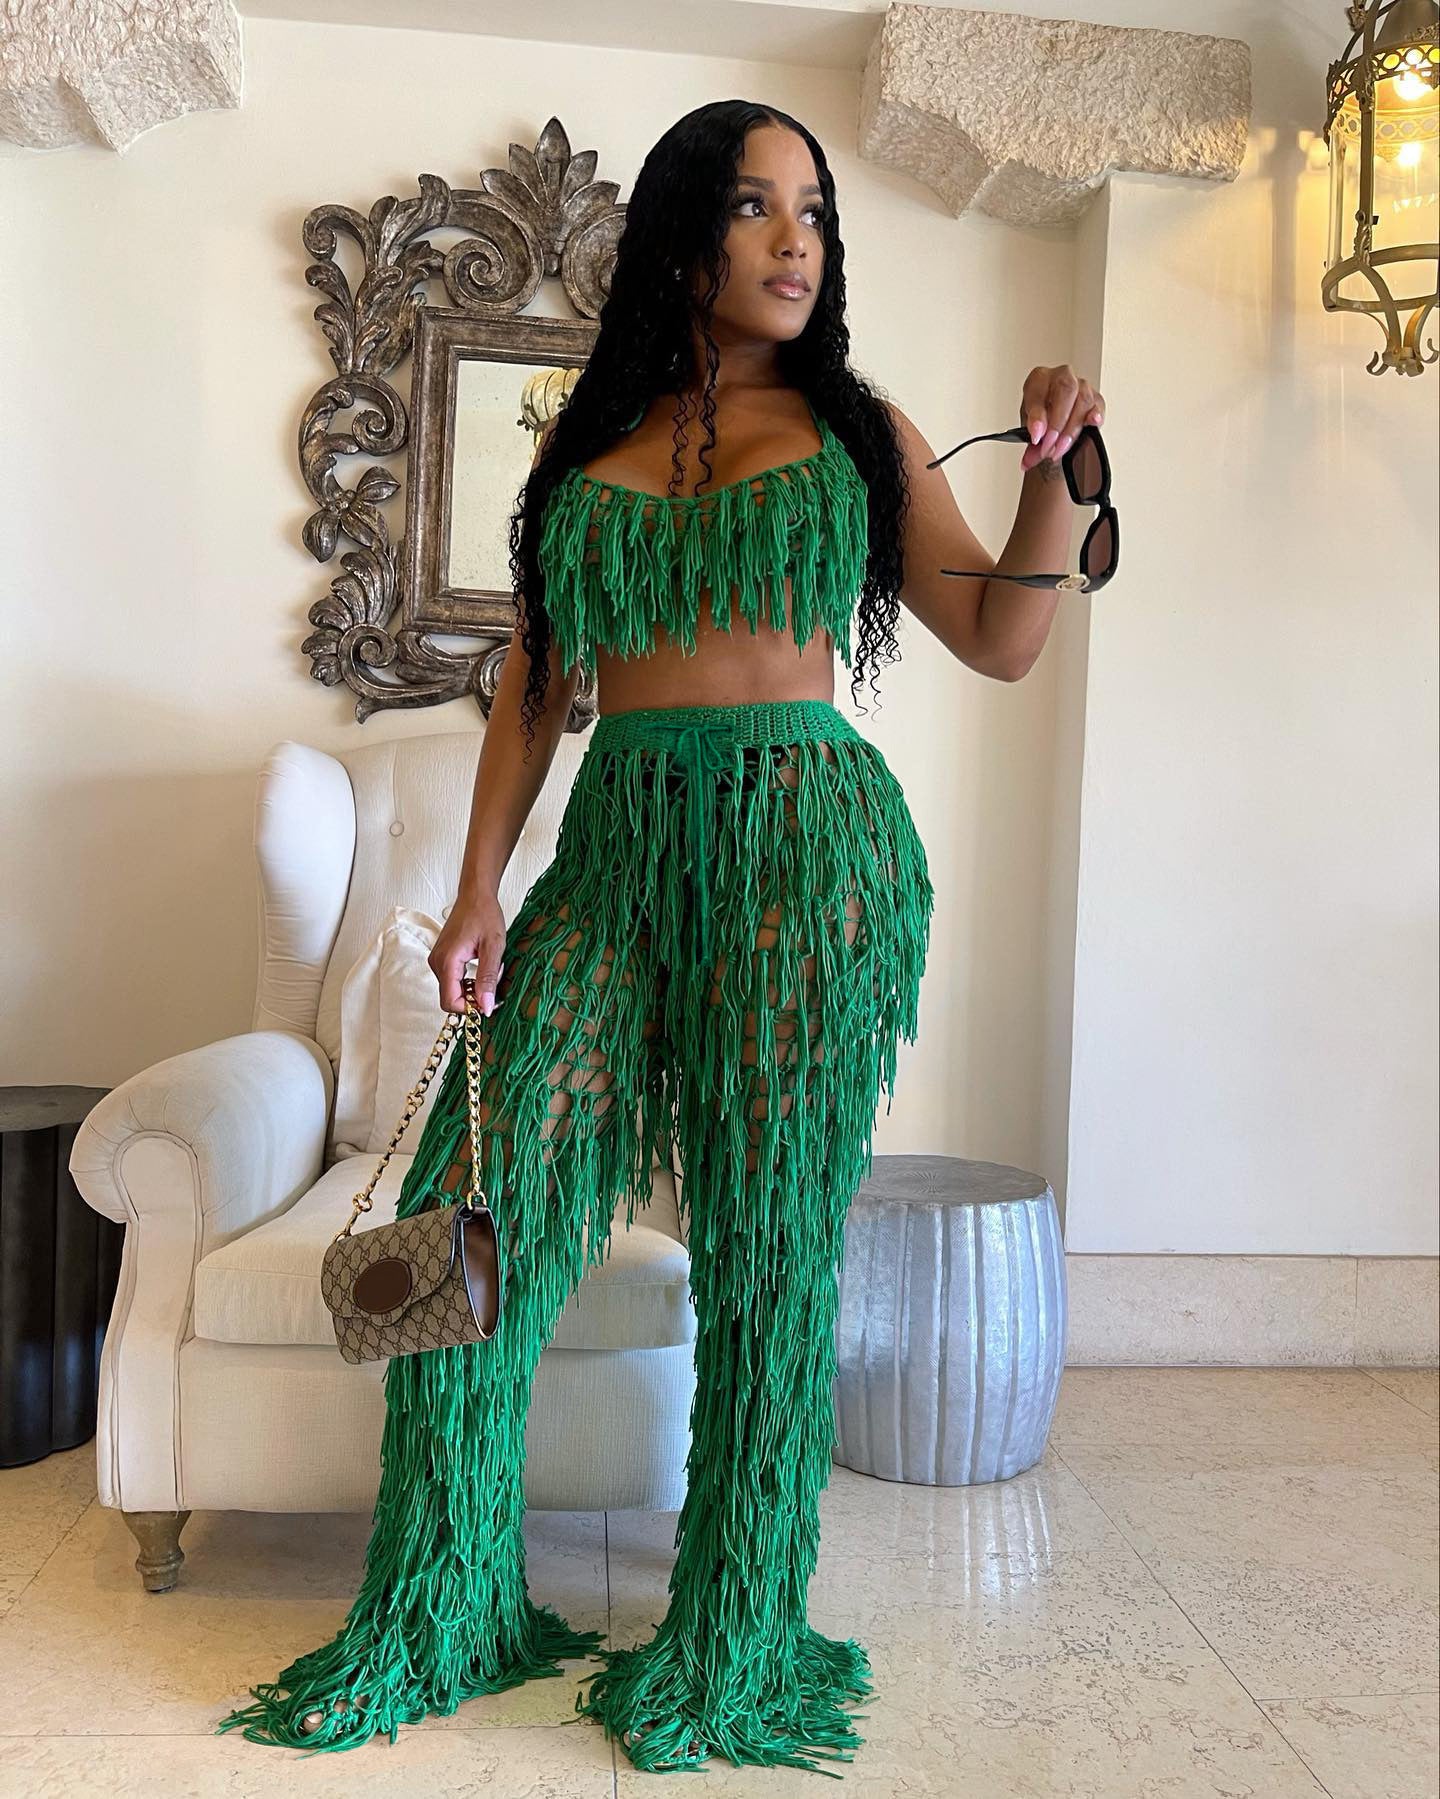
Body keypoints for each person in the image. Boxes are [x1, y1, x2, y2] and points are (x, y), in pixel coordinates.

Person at [218, 97, 1102, 1777]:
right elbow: (537, 685)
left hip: (805, 863)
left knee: (769, 1263)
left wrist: (1062, 477)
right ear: (687, 236)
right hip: (614, 865)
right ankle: (438, 1610)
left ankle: (735, 1642)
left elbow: (1000, 634)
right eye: (759, 207)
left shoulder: (860, 430)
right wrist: (480, 892)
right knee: (466, 1230)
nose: (796, 241)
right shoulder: (590, 442)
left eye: (816, 213)